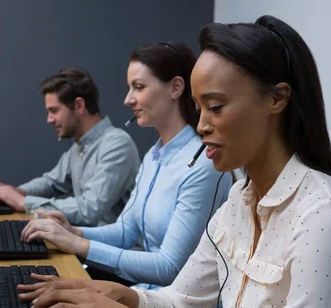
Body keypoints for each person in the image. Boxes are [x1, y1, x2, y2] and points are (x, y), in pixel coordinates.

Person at [17, 16, 331, 308]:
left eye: (216, 107)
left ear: (276, 99)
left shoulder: (328, 217)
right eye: (198, 108)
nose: (202, 125)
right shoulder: (238, 201)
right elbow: (178, 304)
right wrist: (115, 296)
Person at [21, 42, 232, 288]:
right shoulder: (154, 156)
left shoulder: (202, 164)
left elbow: (169, 268)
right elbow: (125, 231)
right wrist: (74, 232)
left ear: (175, 87)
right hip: (146, 292)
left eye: (138, 87)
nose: (128, 99)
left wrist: (79, 245)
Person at [0, 68, 140, 227]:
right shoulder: (79, 146)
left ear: (79, 105)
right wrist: (18, 192)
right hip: (87, 243)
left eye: (54, 111)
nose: (49, 120)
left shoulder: (117, 144)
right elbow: (50, 182)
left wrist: (23, 202)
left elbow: (89, 210)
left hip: (114, 249)